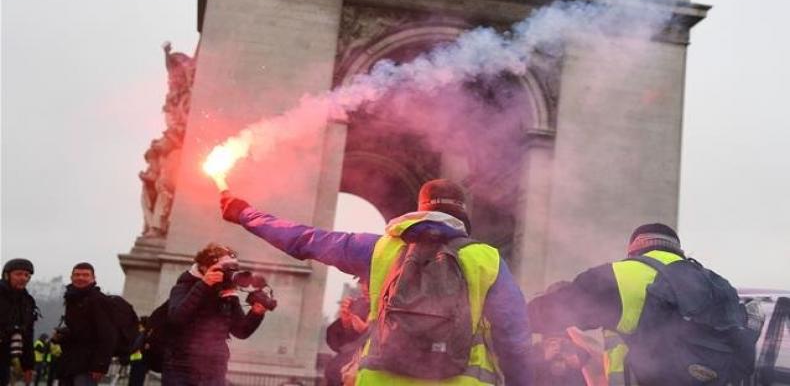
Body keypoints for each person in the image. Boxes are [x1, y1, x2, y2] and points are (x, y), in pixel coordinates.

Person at [220, 178, 531, 385]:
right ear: (463, 217)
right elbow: (515, 339)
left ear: (420, 210)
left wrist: (245, 213)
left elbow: (305, 240)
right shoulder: (487, 260)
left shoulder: (379, 249)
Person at [527, 223, 757, 385]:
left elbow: (554, 310)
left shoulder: (620, 276)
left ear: (634, 248)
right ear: (677, 249)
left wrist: (507, 317)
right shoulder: (715, 284)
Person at [162, 243, 267, 386]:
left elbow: (241, 331)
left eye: (233, 269)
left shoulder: (227, 292)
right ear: (205, 267)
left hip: (214, 366)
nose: (229, 273)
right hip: (181, 365)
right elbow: (177, 318)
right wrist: (204, 285)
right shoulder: (185, 285)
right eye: (224, 268)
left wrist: (256, 314)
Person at [57, 262, 117, 386]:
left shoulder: (99, 300)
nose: (81, 278)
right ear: (71, 277)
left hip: (88, 365)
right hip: (70, 362)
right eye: (77, 274)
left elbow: (108, 335)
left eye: (85, 275)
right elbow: (79, 330)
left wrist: (100, 366)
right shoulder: (72, 299)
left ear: (94, 278)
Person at [0, 258, 38, 386]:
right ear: (6, 275)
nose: (23, 278)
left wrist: (28, 365)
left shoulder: (27, 302)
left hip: (4, 359)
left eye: (27, 275)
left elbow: (27, 334)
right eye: (18, 274)